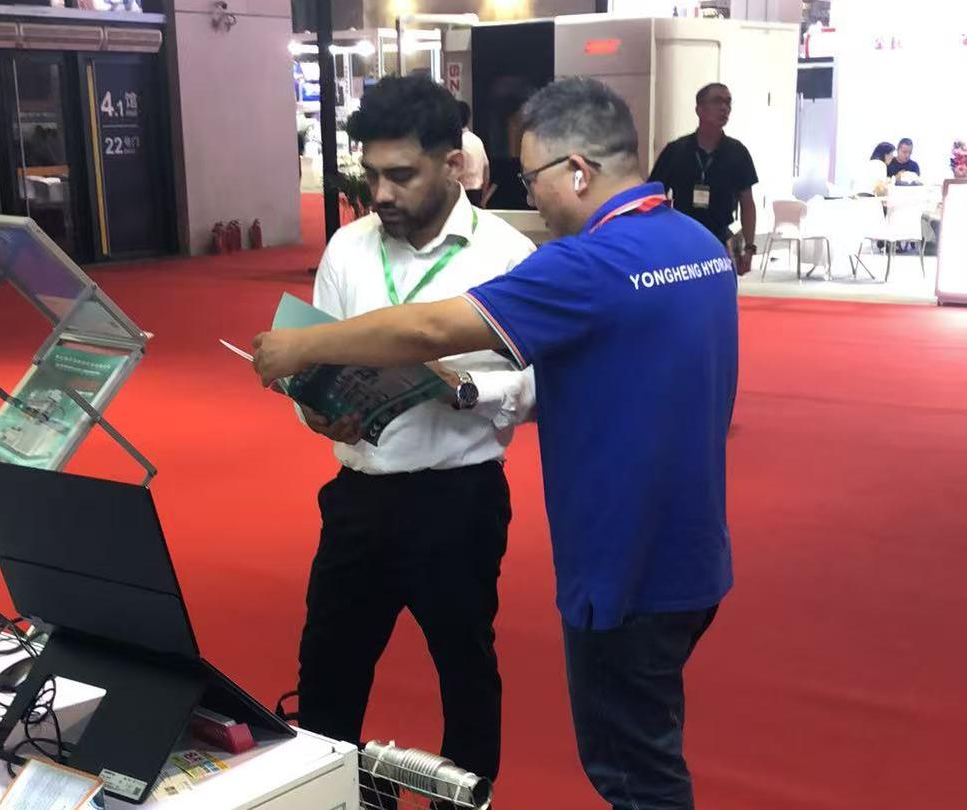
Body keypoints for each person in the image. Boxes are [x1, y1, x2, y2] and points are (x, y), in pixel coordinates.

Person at [253, 77, 736, 810]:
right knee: (331, 669)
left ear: (578, 171)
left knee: (629, 770)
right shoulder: (697, 245)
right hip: (686, 549)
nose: (530, 194)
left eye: (533, 177)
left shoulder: (581, 264)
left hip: (612, 554)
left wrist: (304, 345)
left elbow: (429, 329)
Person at [288, 75, 536, 792]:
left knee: (465, 669)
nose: (382, 194)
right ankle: (334, 801)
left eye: (401, 175)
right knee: (326, 671)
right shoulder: (347, 249)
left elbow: (541, 385)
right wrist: (317, 411)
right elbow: (316, 366)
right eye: (372, 176)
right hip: (358, 496)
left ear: (453, 164)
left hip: (459, 499)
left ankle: (464, 803)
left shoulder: (507, 256)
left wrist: (465, 388)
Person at [649, 82, 758, 274]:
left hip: (720, 240)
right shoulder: (676, 150)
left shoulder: (737, 152)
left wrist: (749, 248)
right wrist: (658, 237)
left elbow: (747, 202)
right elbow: (653, 197)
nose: (724, 107)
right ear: (699, 109)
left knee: (720, 291)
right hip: (682, 240)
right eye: (717, 101)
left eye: (728, 102)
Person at [458, 101, 490, 206]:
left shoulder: (457, 142)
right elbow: (486, 169)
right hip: (477, 194)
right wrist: (483, 197)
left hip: (461, 195)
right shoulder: (477, 140)